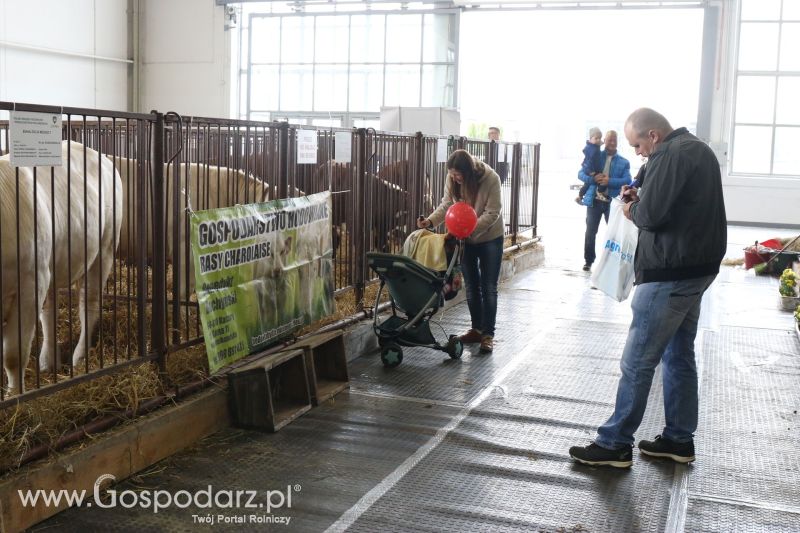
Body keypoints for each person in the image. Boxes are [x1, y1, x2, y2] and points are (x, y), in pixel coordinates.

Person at [568, 108, 727, 468]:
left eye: (638, 144)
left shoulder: (669, 155)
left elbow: (651, 216)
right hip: (697, 269)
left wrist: (629, 207)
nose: (638, 152)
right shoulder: (698, 149)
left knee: (638, 360)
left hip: (669, 271)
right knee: (678, 354)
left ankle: (615, 443)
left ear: (653, 135)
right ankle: (678, 439)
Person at [417, 149, 503, 354]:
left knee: (489, 286)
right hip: (465, 238)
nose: (454, 178)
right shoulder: (452, 179)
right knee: (472, 285)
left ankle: (488, 335)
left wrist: (469, 228)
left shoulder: (491, 178)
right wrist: (429, 221)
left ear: (468, 171)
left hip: (490, 237)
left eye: (457, 175)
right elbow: (447, 203)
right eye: (451, 174)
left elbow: (493, 212)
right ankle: (476, 329)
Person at [578, 130, 631, 271]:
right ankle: (588, 261)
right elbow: (580, 173)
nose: (612, 143)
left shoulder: (624, 162)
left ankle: (610, 264)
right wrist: (592, 178)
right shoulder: (595, 156)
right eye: (609, 140)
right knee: (590, 233)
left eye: (614, 140)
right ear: (604, 141)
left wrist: (609, 181)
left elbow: (628, 180)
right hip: (594, 202)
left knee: (613, 235)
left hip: (612, 203)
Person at [575, 127, 605, 204]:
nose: (598, 140)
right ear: (590, 138)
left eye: (600, 138)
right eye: (596, 138)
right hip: (590, 169)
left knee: (587, 185)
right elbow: (589, 161)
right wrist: (591, 172)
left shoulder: (594, 146)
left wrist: (601, 143)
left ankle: (580, 196)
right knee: (601, 180)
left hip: (591, 169)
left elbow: (597, 145)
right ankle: (599, 192)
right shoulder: (591, 149)